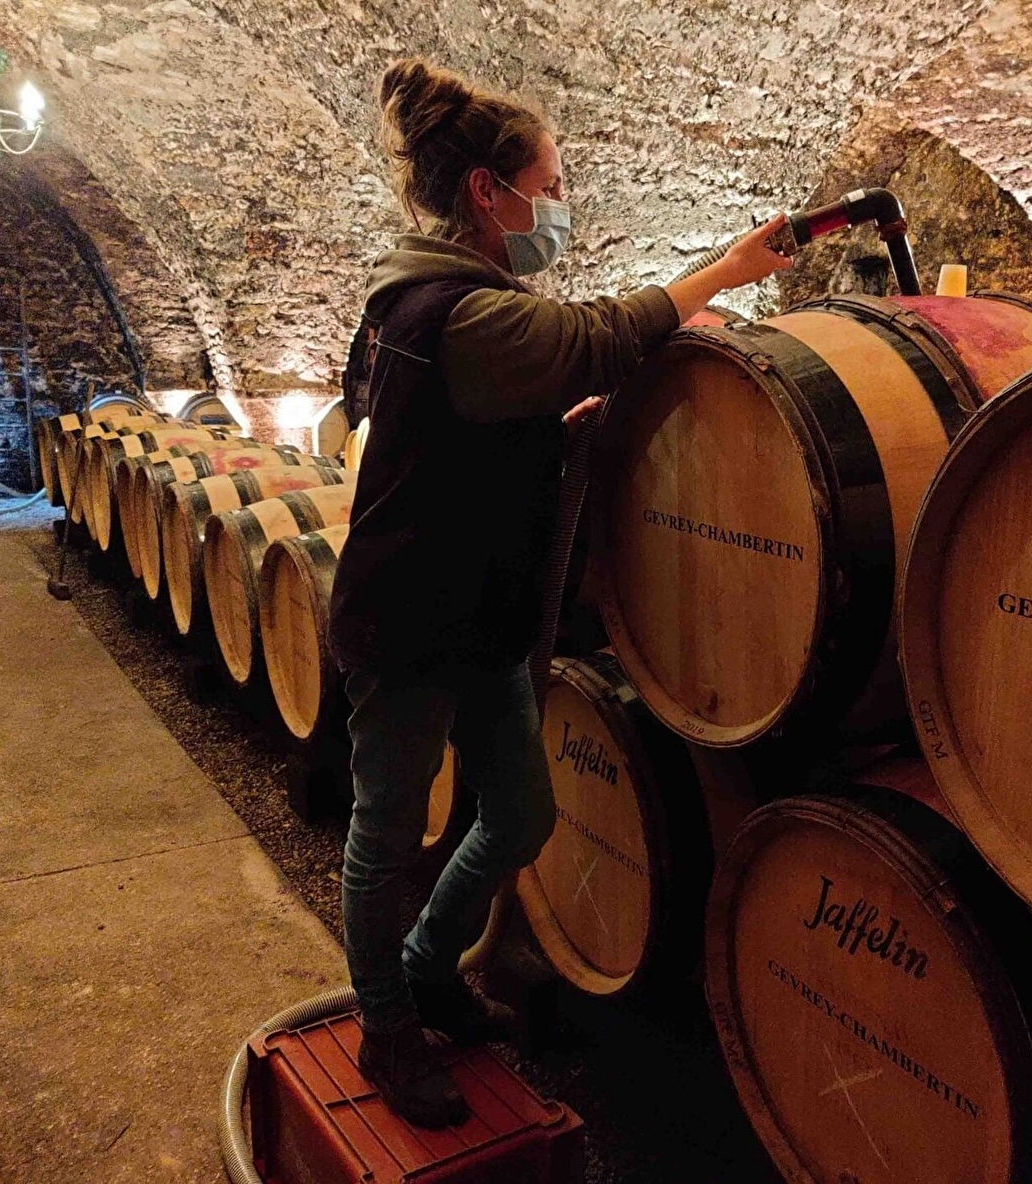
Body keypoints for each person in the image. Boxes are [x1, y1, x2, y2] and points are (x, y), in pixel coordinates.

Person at [330, 56, 792, 1128]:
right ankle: (387, 1028)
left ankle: (427, 965)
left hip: (478, 613)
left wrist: (552, 432)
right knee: (385, 834)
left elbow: (485, 424)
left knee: (521, 812)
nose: (560, 204)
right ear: (486, 193)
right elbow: (594, 339)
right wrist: (721, 272)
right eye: (549, 185)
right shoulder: (456, 309)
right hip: (409, 621)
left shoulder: (470, 299)